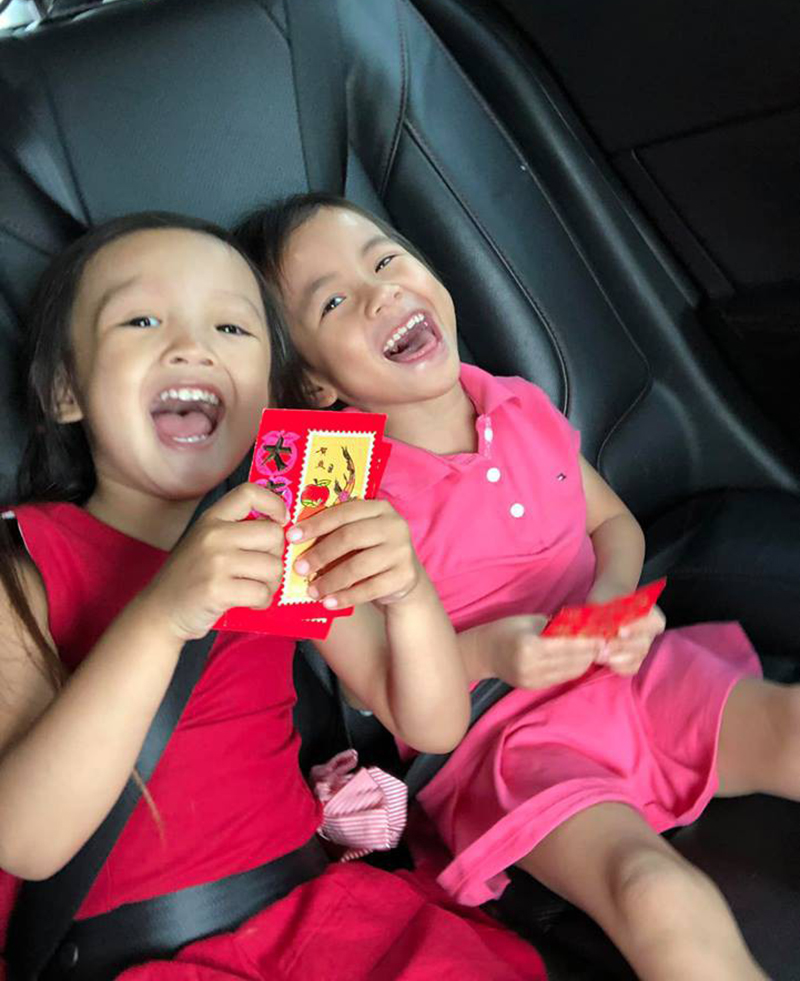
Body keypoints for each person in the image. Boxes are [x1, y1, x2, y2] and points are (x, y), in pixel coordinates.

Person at [238, 192, 800, 981]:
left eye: (386, 259)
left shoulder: (515, 399)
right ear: (315, 381)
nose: (380, 291)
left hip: (632, 677)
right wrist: (491, 649)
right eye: (333, 301)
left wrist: (609, 600)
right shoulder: (317, 488)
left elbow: (614, 526)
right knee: (654, 891)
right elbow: (396, 703)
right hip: (502, 744)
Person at [0, 212, 548, 981]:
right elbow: (27, 840)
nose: (193, 346)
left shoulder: (287, 535)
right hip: (135, 956)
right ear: (65, 388)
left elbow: (431, 720)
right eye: (142, 320)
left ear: (268, 396)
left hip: (327, 924)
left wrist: (408, 591)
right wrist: (162, 614)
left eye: (231, 327)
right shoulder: (29, 560)